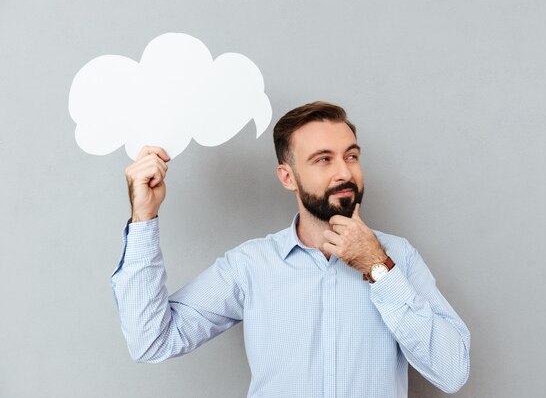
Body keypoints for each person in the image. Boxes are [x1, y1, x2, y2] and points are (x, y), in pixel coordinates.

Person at [111, 101, 470, 397]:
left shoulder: (397, 257)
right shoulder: (248, 266)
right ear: (287, 177)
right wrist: (144, 217)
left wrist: (378, 267)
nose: (344, 172)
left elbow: (452, 372)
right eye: (323, 159)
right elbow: (151, 342)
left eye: (351, 156)